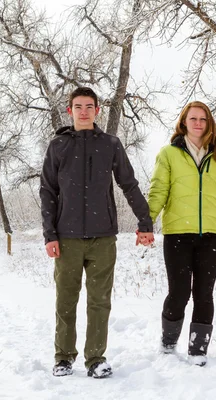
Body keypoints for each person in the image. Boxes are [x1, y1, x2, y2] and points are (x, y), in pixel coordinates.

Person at [40, 87, 155, 378]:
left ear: (97, 111)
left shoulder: (110, 145)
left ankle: (95, 359)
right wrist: (49, 234)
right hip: (66, 238)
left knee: (99, 301)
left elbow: (128, 184)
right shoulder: (58, 146)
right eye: (77, 106)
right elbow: (48, 191)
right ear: (70, 111)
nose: (83, 111)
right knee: (66, 300)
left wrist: (145, 222)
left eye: (89, 106)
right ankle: (64, 357)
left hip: (103, 237)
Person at [147, 101, 216, 366]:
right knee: (178, 292)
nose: (198, 123)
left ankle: (198, 351)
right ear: (183, 122)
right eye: (193, 118)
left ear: (209, 123)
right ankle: (168, 345)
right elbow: (158, 190)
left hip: (211, 233)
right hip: (177, 232)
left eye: (203, 119)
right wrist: (146, 223)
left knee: (204, 293)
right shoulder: (169, 154)